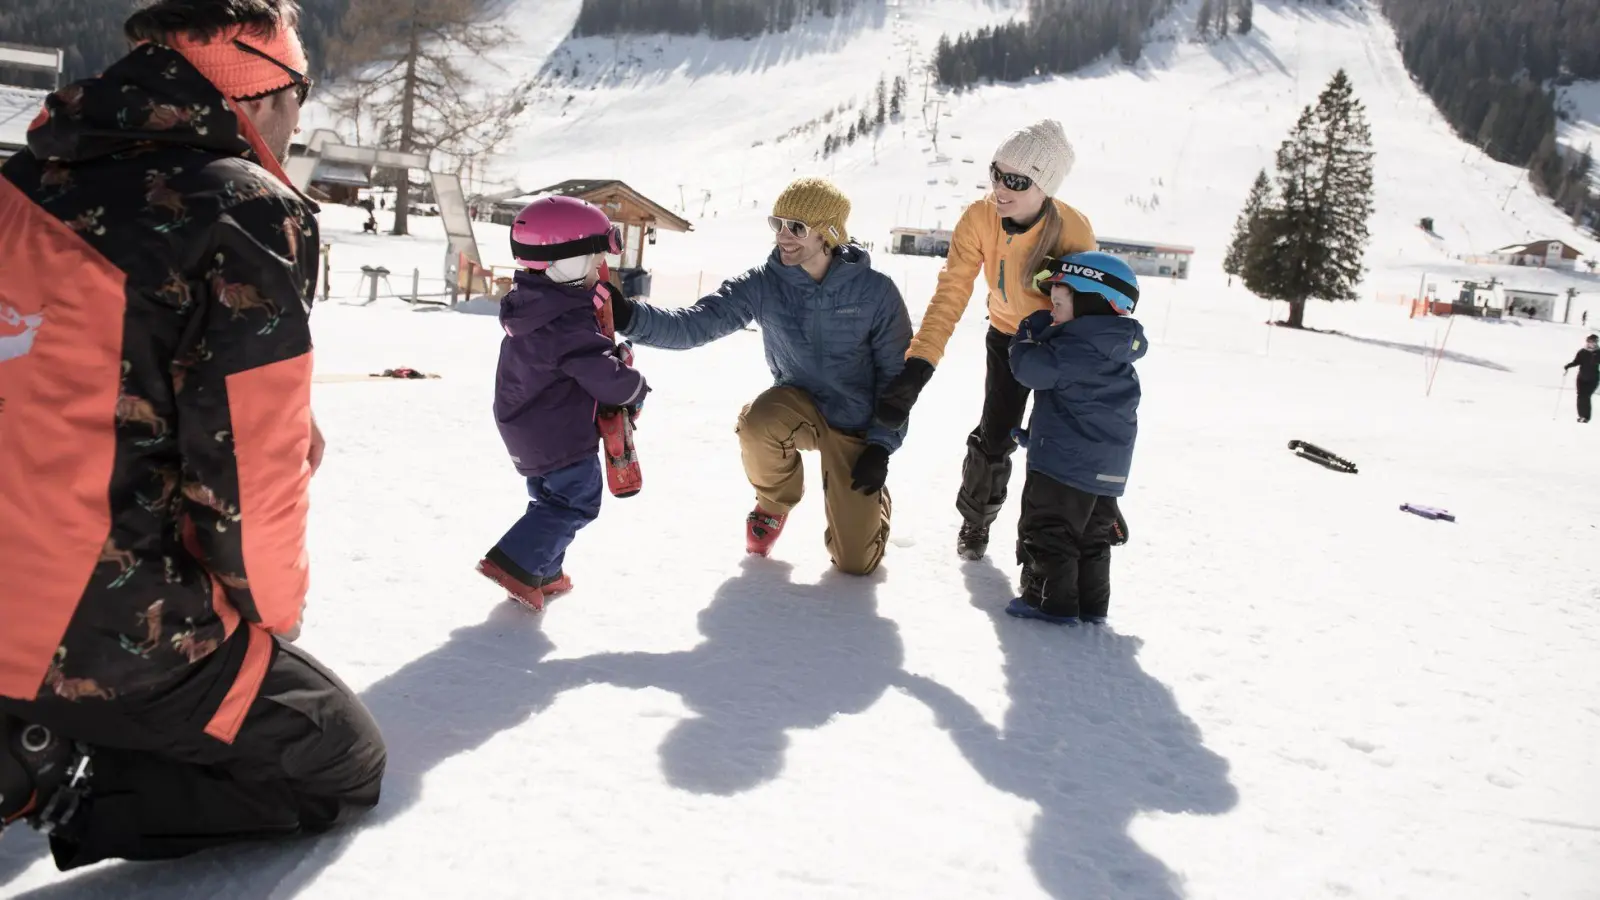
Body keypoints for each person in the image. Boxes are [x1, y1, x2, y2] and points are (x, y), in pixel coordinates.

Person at [0, 0, 385, 871]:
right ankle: (63, 774)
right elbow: (251, 477)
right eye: (301, 92)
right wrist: (269, 622)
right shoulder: (239, 207)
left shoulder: (25, 179)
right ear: (259, 90)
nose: (299, 119)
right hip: (104, 632)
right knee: (337, 758)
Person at [611, 177, 912, 575]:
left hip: (856, 423)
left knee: (855, 564)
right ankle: (774, 503)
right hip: (796, 405)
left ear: (830, 234)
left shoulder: (877, 293)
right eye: (778, 224)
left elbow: (898, 377)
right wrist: (629, 317)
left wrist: (881, 446)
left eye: (798, 228)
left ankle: (873, 507)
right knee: (758, 423)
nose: (784, 236)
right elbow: (696, 324)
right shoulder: (763, 284)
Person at [872, 119, 1097, 560]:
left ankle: (1048, 540)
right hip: (1008, 339)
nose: (1000, 186)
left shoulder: (1074, 231)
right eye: (996, 171)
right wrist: (919, 365)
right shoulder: (978, 218)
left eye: (1016, 180)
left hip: (1060, 344)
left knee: (1057, 443)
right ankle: (976, 522)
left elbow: (1089, 308)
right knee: (995, 436)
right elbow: (951, 293)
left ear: (1044, 187)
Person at [476, 196, 648, 610]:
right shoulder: (566, 323)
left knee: (551, 501)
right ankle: (516, 563)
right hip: (559, 434)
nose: (598, 271)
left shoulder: (535, 307)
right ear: (565, 264)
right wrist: (634, 386)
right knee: (577, 501)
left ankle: (545, 571)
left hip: (529, 426)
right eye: (593, 262)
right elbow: (600, 375)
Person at [1007, 252, 1148, 625]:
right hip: (1107, 474)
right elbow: (1080, 407)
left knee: (1049, 532)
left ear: (1090, 301)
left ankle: (1049, 603)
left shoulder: (1071, 348)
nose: (1051, 311)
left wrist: (1025, 335)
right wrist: (1034, 433)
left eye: (1057, 304)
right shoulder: (1114, 352)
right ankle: (1091, 605)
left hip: (1062, 468)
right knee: (1092, 540)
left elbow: (1029, 369)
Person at [1564, 333, 1599, 423]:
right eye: (1590, 342)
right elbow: (1576, 362)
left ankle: (1586, 417)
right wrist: (1568, 366)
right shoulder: (1582, 352)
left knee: (1586, 396)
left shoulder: (1598, 353)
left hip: (1593, 379)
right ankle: (1581, 416)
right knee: (1580, 396)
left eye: (1594, 342)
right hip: (1581, 378)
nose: (1591, 344)